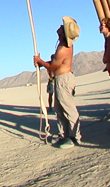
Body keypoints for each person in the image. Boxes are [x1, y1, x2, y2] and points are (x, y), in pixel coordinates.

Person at [34, 16, 81, 149]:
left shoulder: (63, 49)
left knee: (68, 108)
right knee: (59, 109)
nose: (59, 28)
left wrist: (40, 61)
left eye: (62, 27)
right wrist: (41, 63)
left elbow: (53, 67)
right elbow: (55, 65)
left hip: (64, 80)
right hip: (60, 80)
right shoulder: (61, 46)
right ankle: (64, 134)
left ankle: (74, 136)